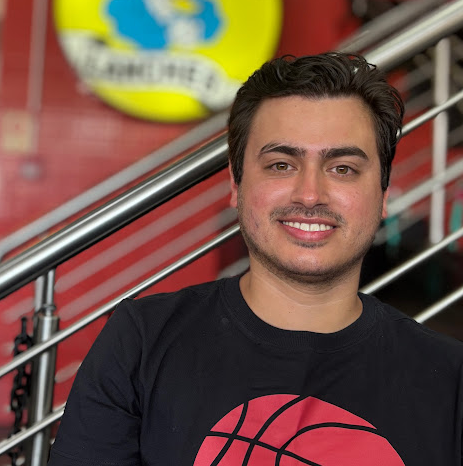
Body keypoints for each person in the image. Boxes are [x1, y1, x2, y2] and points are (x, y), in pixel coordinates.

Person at [48, 53, 463, 466]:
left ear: (383, 194)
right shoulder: (142, 342)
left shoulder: (450, 379)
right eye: (281, 165)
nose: (310, 194)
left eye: (342, 169)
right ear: (236, 183)